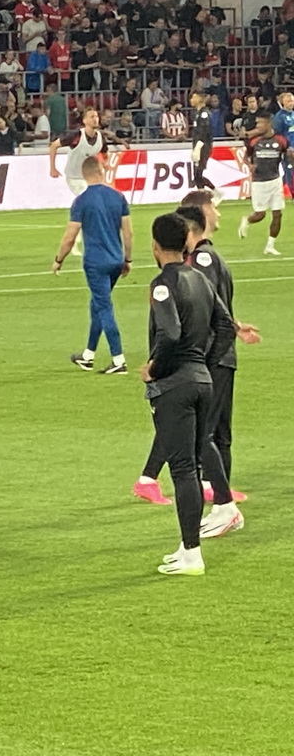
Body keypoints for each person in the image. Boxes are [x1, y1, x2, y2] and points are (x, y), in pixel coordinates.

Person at [134, 191, 259, 511]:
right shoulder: (199, 262)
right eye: (214, 207)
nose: (218, 213)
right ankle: (217, 497)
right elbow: (188, 318)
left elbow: (209, 310)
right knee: (202, 430)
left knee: (197, 428)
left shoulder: (184, 269)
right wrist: (213, 350)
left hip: (199, 357)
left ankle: (207, 494)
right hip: (200, 359)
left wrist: (234, 327)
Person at [141, 213, 237, 576]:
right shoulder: (200, 278)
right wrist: (205, 363)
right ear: (186, 243)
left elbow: (170, 333)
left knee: (183, 470)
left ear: (155, 245)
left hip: (176, 385)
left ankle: (192, 553)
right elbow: (225, 327)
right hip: (204, 381)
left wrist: (155, 368)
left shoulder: (162, 284)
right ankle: (187, 548)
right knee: (194, 465)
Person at [52, 156, 133, 375]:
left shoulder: (82, 201)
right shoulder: (118, 197)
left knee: (104, 307)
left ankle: (118, 360)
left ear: (84, 175)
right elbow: (128, 232)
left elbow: (70, 236)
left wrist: (59, 259)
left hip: (96, 263)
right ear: (100, 170)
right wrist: (128, 259)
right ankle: (88, 355)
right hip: (116, 260)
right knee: (97, 304)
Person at [48, 107, 127, 256]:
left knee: (90, 208)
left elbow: (105, 153)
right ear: (84, 121)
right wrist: (52, 168)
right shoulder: (76, 135)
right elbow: (53, 146)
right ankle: (80, 242)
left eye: (96, 116)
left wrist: (105, 163)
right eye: (91, 116)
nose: (95, 119)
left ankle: (77, 241)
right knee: (93, 204)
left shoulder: (99, 137)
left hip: (90, 178)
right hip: (75, 177)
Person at [238, 113, 290, 256]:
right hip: (259, 182)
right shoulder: (254, 141)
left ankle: (270, 245)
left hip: (275, 180)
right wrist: (250, 165)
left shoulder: (281, 140)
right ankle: (247, 220)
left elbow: (288, 155)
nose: (258, 126)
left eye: (260, 123)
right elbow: (245, 157)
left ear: (269, 124)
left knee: (278, 214)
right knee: (260, 215)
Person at [189, 92, 217, 193]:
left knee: (198, 172)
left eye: (193, 97)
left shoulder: (204, 113)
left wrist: (198, 146)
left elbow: (205, 131)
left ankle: (214, 192)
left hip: (203, 146)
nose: (191, 100)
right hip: (197, 144)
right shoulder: (196, 113)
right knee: (196, 174)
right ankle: (203, 194)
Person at [271, 92, 294, 197]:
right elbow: (277, 135)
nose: (291, 103)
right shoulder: (279, 117)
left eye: (292, 101)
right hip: (288, 150)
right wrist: (285, 147)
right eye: (288, 101)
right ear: (283, 102)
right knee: (289, 171)